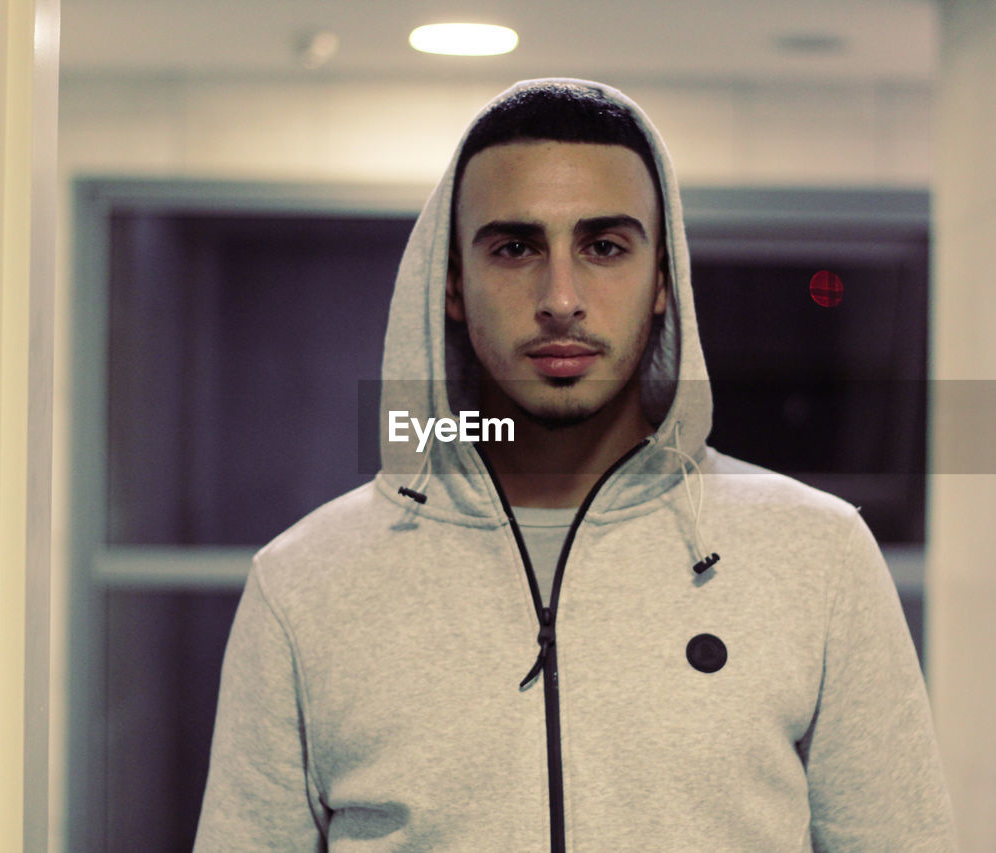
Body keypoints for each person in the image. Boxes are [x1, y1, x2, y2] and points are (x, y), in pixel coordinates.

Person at [194, 78, 957, 852]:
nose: (561, 297)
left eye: (603, 246)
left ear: (663, 281)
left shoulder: (818, 557)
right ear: (452, 285)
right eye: (516, 247)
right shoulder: (305, 583)